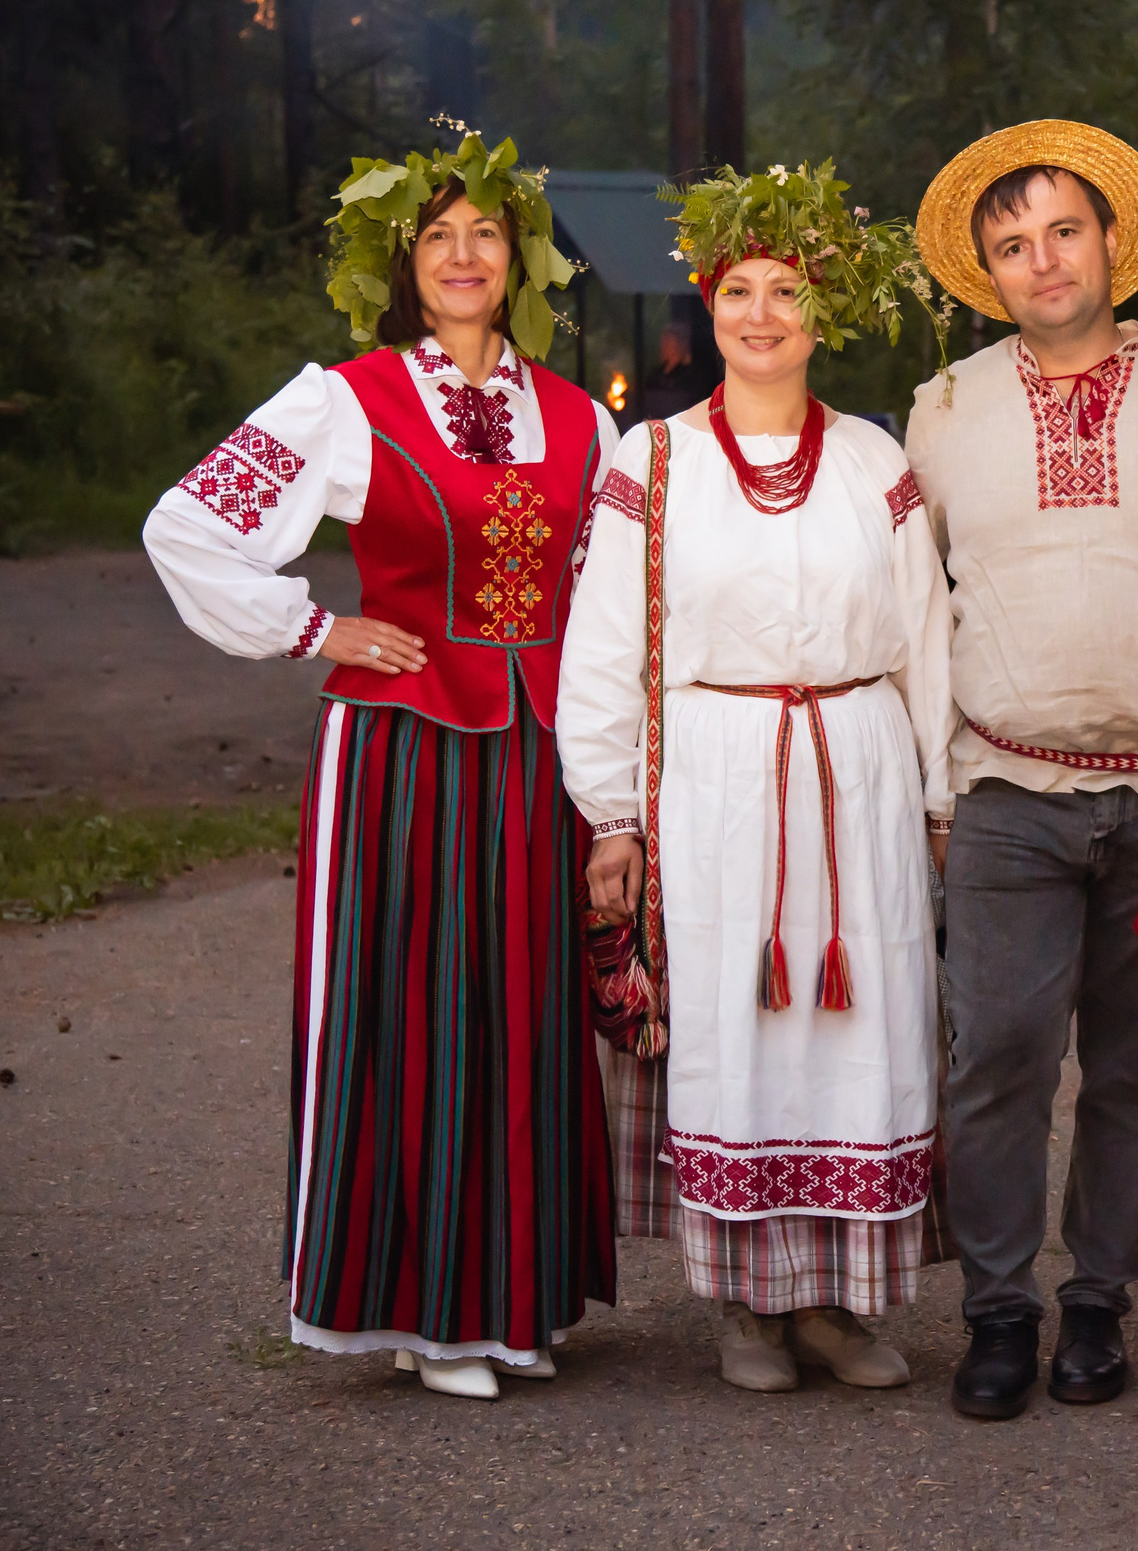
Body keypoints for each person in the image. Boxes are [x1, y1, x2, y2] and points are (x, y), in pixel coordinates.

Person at [143, 127, 618, 1401]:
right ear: (404, 260)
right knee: (415, 1008)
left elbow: (621, 590)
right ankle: (427, 1311)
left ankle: (516, 1296)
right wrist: (318, 626)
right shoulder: (341, 398)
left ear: (518, 255)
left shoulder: (581, 417)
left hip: (537, 752)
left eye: (485, 232)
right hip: (399, 749)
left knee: (524, 1009)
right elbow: (186, 526)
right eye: (437, 235)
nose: (464, 255)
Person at [555, 162, 955, 1393]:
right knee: (735, 1027)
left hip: (857, 773)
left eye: (788, 290)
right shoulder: (653, 461)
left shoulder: (872, 461)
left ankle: (839, 1306)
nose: (764, 312)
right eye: (740, 289)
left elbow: (925, 634)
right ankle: (744, 1308)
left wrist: (937, 801)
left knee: (860, 1027)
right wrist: (611, 811)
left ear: (821, 314)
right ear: (708, 306)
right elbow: (606, 644)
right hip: (717, 781)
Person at [906, 121, 1138, 1419]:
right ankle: (999, 1308)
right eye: (1011, 243)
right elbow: (905, 596)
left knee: (1130, 1069)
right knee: (994, 1049)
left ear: (1113, 239)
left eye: (1063, 228)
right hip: (1005, 787)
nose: (1042, 259)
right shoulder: (942, 412)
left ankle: (1099, 1300)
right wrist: (926, 782)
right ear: (987, 274)